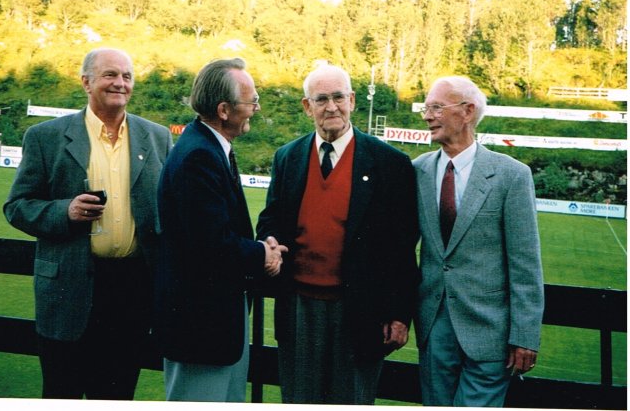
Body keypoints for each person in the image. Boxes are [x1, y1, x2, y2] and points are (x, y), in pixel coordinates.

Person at [3, 48, 173, 400]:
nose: (120, 83)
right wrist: (64, 212)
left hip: (132, 291)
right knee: (62, 393)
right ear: (86, 82)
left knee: (116, 394)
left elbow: (170, 212)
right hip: (69, 287)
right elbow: (17, 206)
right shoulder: (46, 136)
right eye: (110, 75)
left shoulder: (156, 137)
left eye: (127, 76)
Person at [256, 63, 419, 404]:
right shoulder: (288, 157)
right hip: (299, 308)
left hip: (360, 310)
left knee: (351, 400)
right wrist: (270, 239)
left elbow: (403, 246)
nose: (331, 107)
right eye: (322, 99)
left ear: (353, 100)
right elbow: (271, 217)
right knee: (300, 398)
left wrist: (399, 313)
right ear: (307, 106)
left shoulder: (389, 163)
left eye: (338, 97)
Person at [154, 57, 287, 402]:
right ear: (224, 109)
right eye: (252, 101)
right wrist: (263, 253)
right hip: (201, 328)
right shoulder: (200, 155)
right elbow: (211, 244)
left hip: (212, 325)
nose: (256, 109)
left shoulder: (209, 147)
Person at [414, 76, 544, 407]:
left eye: (437, 107)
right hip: (433, 330)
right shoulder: (417, 171)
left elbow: (525, 263)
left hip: (490, 335)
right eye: (426, 108)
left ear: (468, 111)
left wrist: (525, 336)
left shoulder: (511, 175)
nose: (428, 116)